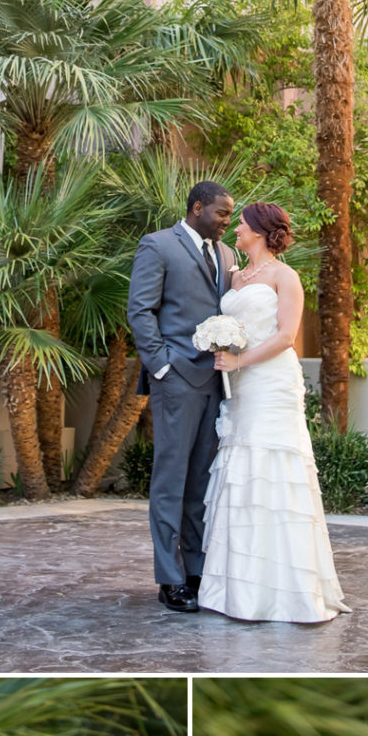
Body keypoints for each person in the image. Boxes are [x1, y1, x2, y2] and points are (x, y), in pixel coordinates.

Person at [197, 202, 346, 625]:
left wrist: (239, 362)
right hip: (239, 387)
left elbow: (285, 336)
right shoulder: (233, 276)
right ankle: (237, 588)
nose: (235, 229)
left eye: (241, 224)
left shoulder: (286, 276)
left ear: (260, 231)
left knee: (272, 469)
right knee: (242, 468)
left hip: (270, 382)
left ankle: (287, 590)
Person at [127, 180, 236, 612]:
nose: (228, 222)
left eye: (230, 215)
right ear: (197, 208)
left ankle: (195, 570)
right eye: (222, 213)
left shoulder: (226, 255)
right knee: (170, 481)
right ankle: (169, 579)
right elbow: (140, 309)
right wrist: (162, 365)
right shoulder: (158, 246)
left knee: (200, 483)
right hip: (175, 380)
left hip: (215, 381)